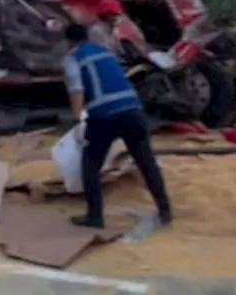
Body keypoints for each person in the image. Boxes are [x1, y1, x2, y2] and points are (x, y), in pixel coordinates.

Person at [61, 23, 172, 229]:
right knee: (146, 162)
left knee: (91, 165)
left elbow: (77, 89)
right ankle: (165, 210)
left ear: (68, 41)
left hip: (104, 117)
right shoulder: (105, 51)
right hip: (133, 111)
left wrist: (77, 120)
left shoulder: (72, 59)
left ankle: (94, 216)